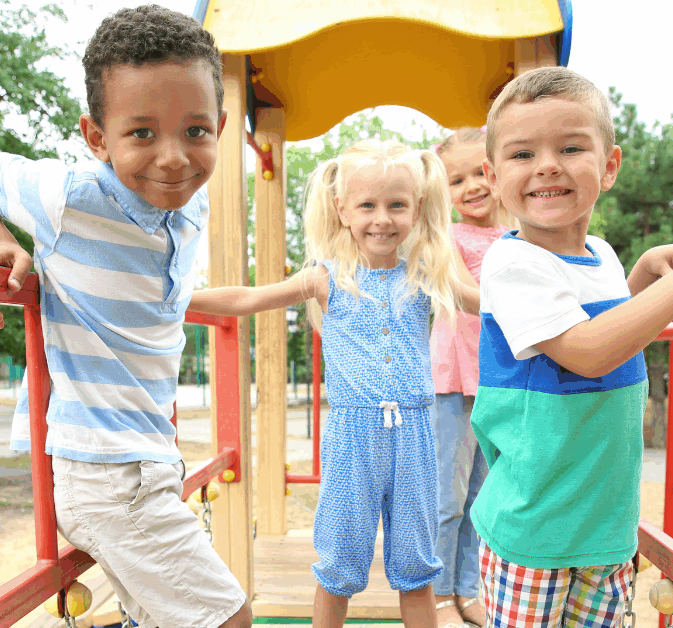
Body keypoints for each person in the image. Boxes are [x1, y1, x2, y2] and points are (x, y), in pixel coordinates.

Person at [0, 6, 252, 627]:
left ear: (218, 126)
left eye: (194, 132)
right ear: (97, 136)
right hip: (106, 473)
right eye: (141, 133)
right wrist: (4, 243)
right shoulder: (70, 196)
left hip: (148, 461)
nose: (172, 158)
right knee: (229, 617)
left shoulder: (192, 203)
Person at [471, 66, 673, 627]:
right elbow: (590, 352)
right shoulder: (513, 261)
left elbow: (611, 328)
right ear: (494, 175)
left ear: (610, 165)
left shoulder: (600, 253)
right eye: (522, 155)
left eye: (571, 147)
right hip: (535, 523)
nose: (547, 164)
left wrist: (643, 277)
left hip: (603, 522)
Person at [188, 139, 480, 628]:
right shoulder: (328, 277)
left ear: (418, 208)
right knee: (339, 560)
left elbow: (484, 302)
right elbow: (245, 298)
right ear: (342, 209)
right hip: (352, 438)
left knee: (416, 563)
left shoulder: (426, 272)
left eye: (396, 206)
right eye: (367, 205)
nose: (381, 219)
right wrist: (174, 297)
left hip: (414, 435)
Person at [428, 127, 515, 628]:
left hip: (501, 380)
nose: (472, 186)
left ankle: (469, 585)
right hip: (455, 380)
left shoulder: (519, 237)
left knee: (484, 494)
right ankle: (438, 591)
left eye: (480, 172)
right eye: (456, 180)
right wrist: (528, 308)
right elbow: (461, 292)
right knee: (448, 494)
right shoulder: (447, 239)